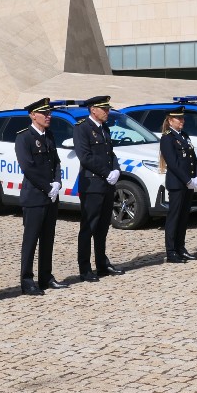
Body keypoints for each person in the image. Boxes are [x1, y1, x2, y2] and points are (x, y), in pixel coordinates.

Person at [13, 98, 67, 295]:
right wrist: (47, 187)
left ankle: (46, 276)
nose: (48, 116)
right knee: (31, 240)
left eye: (49, 113)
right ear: (33, 115)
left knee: (48, 239)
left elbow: (56, 162)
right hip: (35, 196)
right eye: (44, 113)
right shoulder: (24, 137)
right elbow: (28, 168)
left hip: (51, 196)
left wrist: (57, 182)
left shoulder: (49, 135)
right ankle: (27, 280)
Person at [74, 96, 125, 280]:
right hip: (93, 184)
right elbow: (85, 157)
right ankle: (85, 268)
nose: (107, 112)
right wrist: (106, 172)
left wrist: (116, 169)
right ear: (93, 109)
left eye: (108, 109)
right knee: (88, 227)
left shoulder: (104, 128)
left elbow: (110, 153)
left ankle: (102, 264)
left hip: (107, 184)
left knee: (103, 227)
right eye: (104, 109)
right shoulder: (82, 128)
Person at [159, 106, 197, 263]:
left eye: (183, 118)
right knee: (174, 218)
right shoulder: (167, 138)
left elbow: (193, 158)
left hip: (188, 183)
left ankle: (181, 248)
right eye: (179, 118)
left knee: (184, 217)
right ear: (170, 121)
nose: (182, 121)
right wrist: (187, 180)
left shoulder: (184, 135)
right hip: (177, 183)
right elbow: (173, 163)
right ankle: (171, 252)